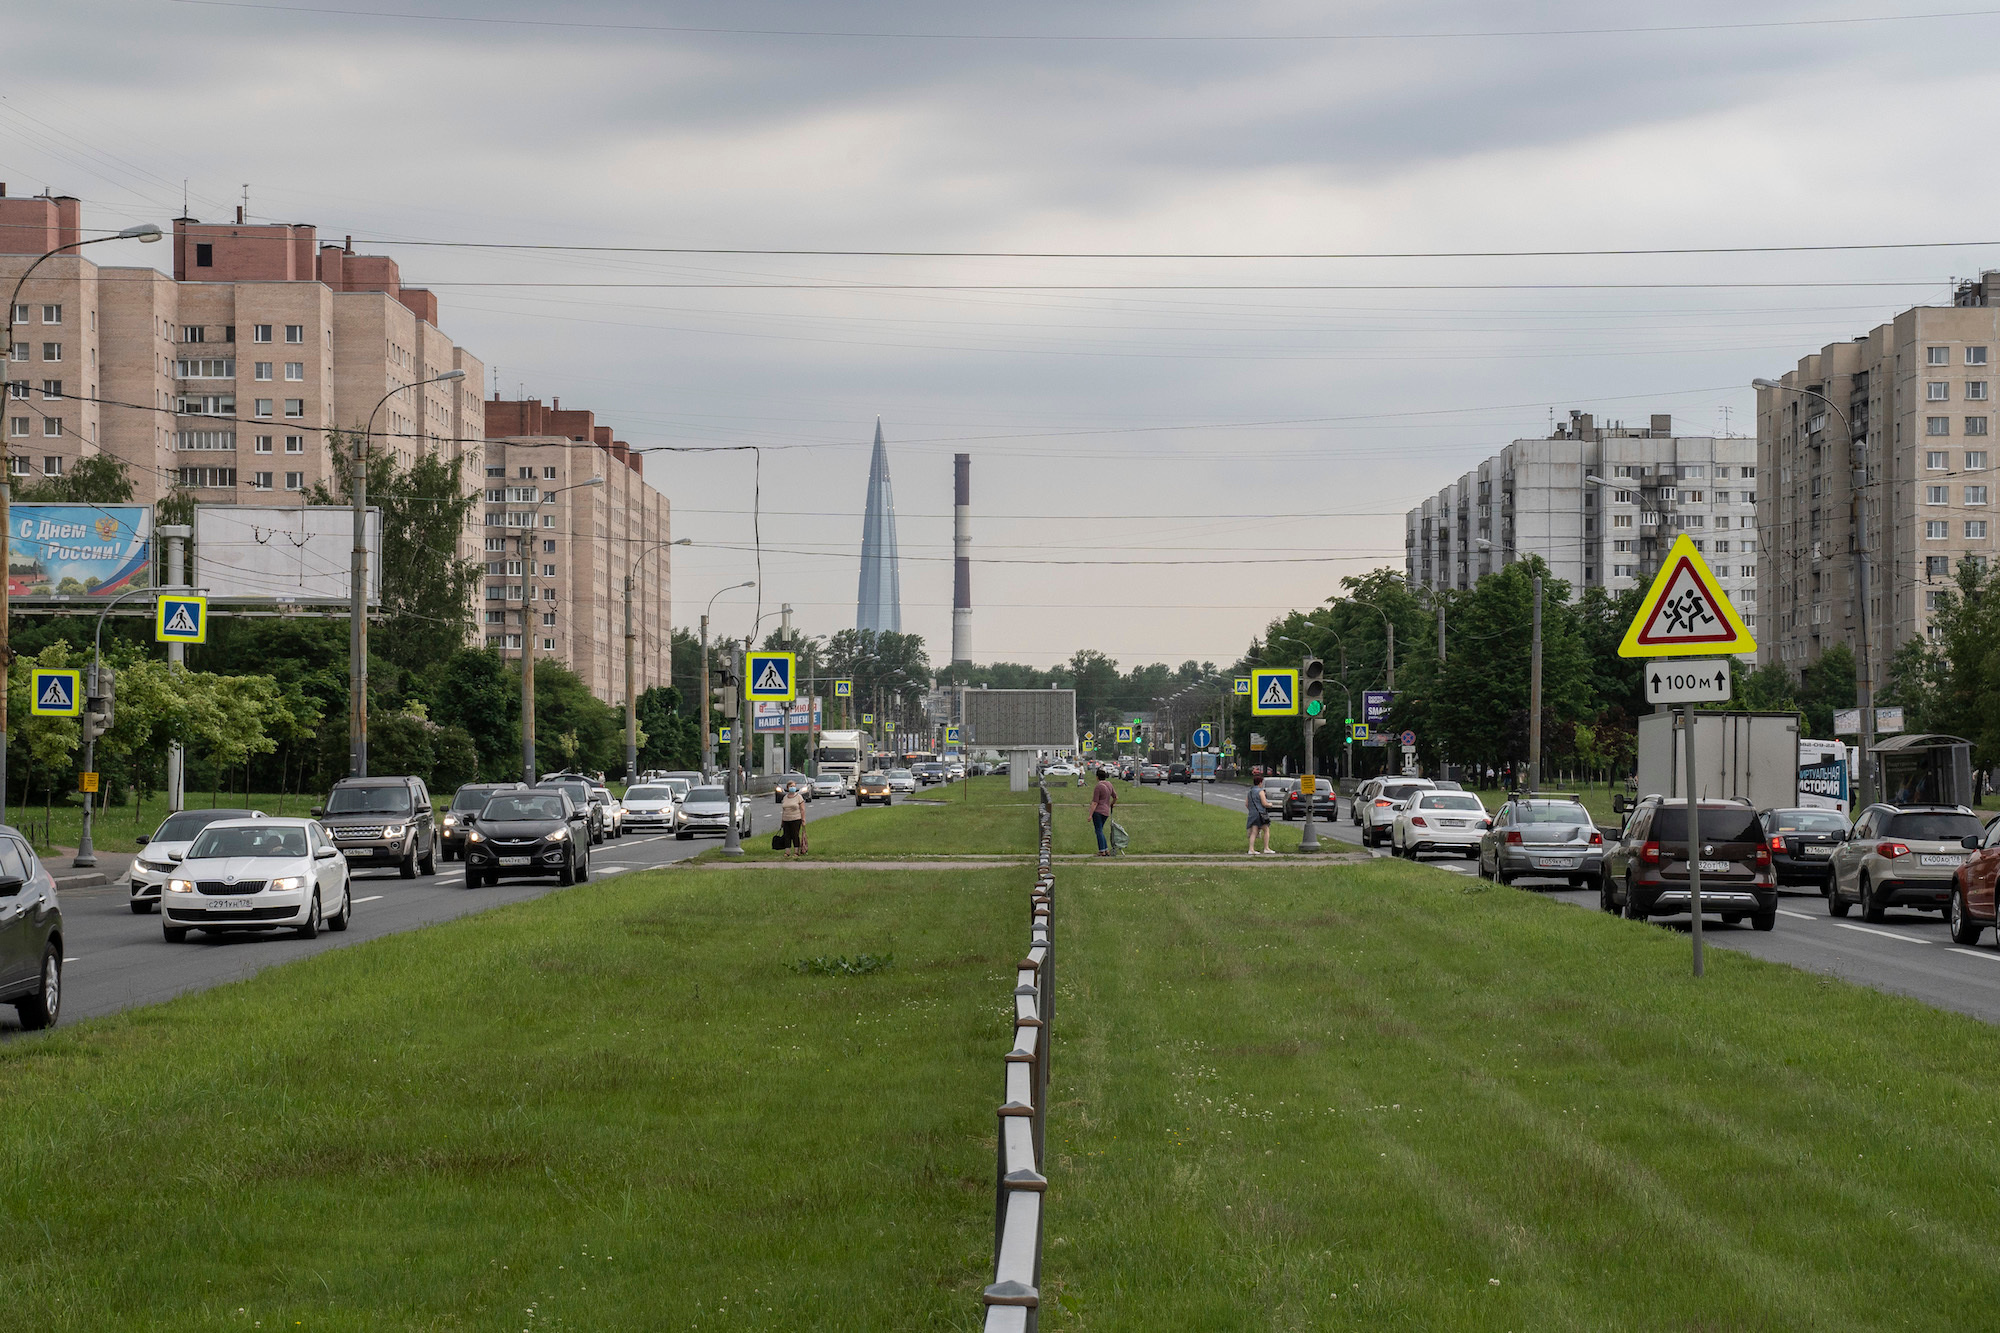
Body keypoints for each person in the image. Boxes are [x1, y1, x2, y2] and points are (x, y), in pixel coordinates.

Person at [1090, 768, 1118, 857]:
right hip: (1106, 811)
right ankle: (1106, 850)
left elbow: (1095, 802)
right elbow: (1115, 797)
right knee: (1100, 830)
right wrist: (1111, 804)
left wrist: (1090, 814)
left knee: (1098, 831)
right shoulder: (1109, 784)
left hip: (1098, 811)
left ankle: (1102, 850)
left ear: (1097, 777)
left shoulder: (1098, 786)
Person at [1246, 774, 1275, 855]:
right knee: (1266, 830)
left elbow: (1246, 804)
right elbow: (1264, 803)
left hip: (1252, 814)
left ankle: (1251, 849)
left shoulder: (1250, 792)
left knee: (1254, 832)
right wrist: (1270, 804)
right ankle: (1266, 848)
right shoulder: (1260, 791)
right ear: (1260, 783)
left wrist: (1252, 810)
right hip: (1260, 814)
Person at [779, 783, 808, 858]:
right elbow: (784, 809)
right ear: (787, 788)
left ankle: (796, 851)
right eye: (791, 786)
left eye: (794, 786)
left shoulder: (798, 797)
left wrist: (803, 819)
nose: (792, 787)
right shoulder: (785, 797)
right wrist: (782, 821)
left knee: (795, 835)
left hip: (796, 819)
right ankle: (787, 852)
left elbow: (802, 809)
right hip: (786, 819)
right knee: (787, 836)